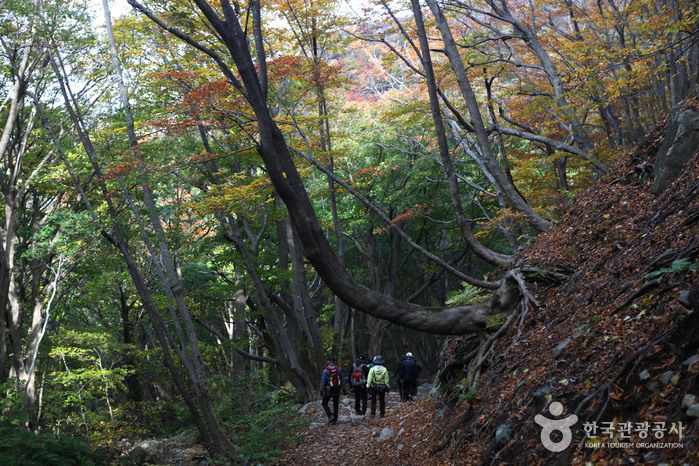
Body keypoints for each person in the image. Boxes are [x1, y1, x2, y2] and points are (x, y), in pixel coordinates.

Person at [319, 356, 345, 425]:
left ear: (328, 362)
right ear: (334, 362)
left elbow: (323, 381)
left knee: (324, 403)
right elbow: (342, 380)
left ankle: (330, 416)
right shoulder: (338, 369)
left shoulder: (326, 370)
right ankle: (335, 419)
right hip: (337, 389)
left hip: (329, 390)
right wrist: (344, 389)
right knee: (335, 404)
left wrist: (321, 391)